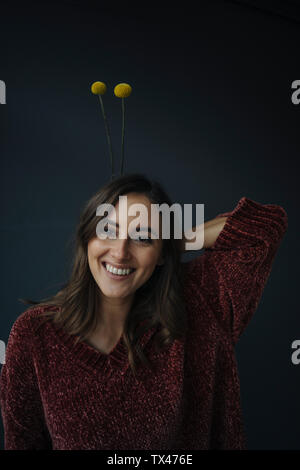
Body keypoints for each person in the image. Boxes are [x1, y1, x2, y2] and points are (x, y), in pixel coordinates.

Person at [0, 173, 288, 450]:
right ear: (87, 237)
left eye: (142, 238)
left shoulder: (198, 304)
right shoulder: (34, 335)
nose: (120, 252)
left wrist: (171, 245)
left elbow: (262, 229)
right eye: (108, 231)